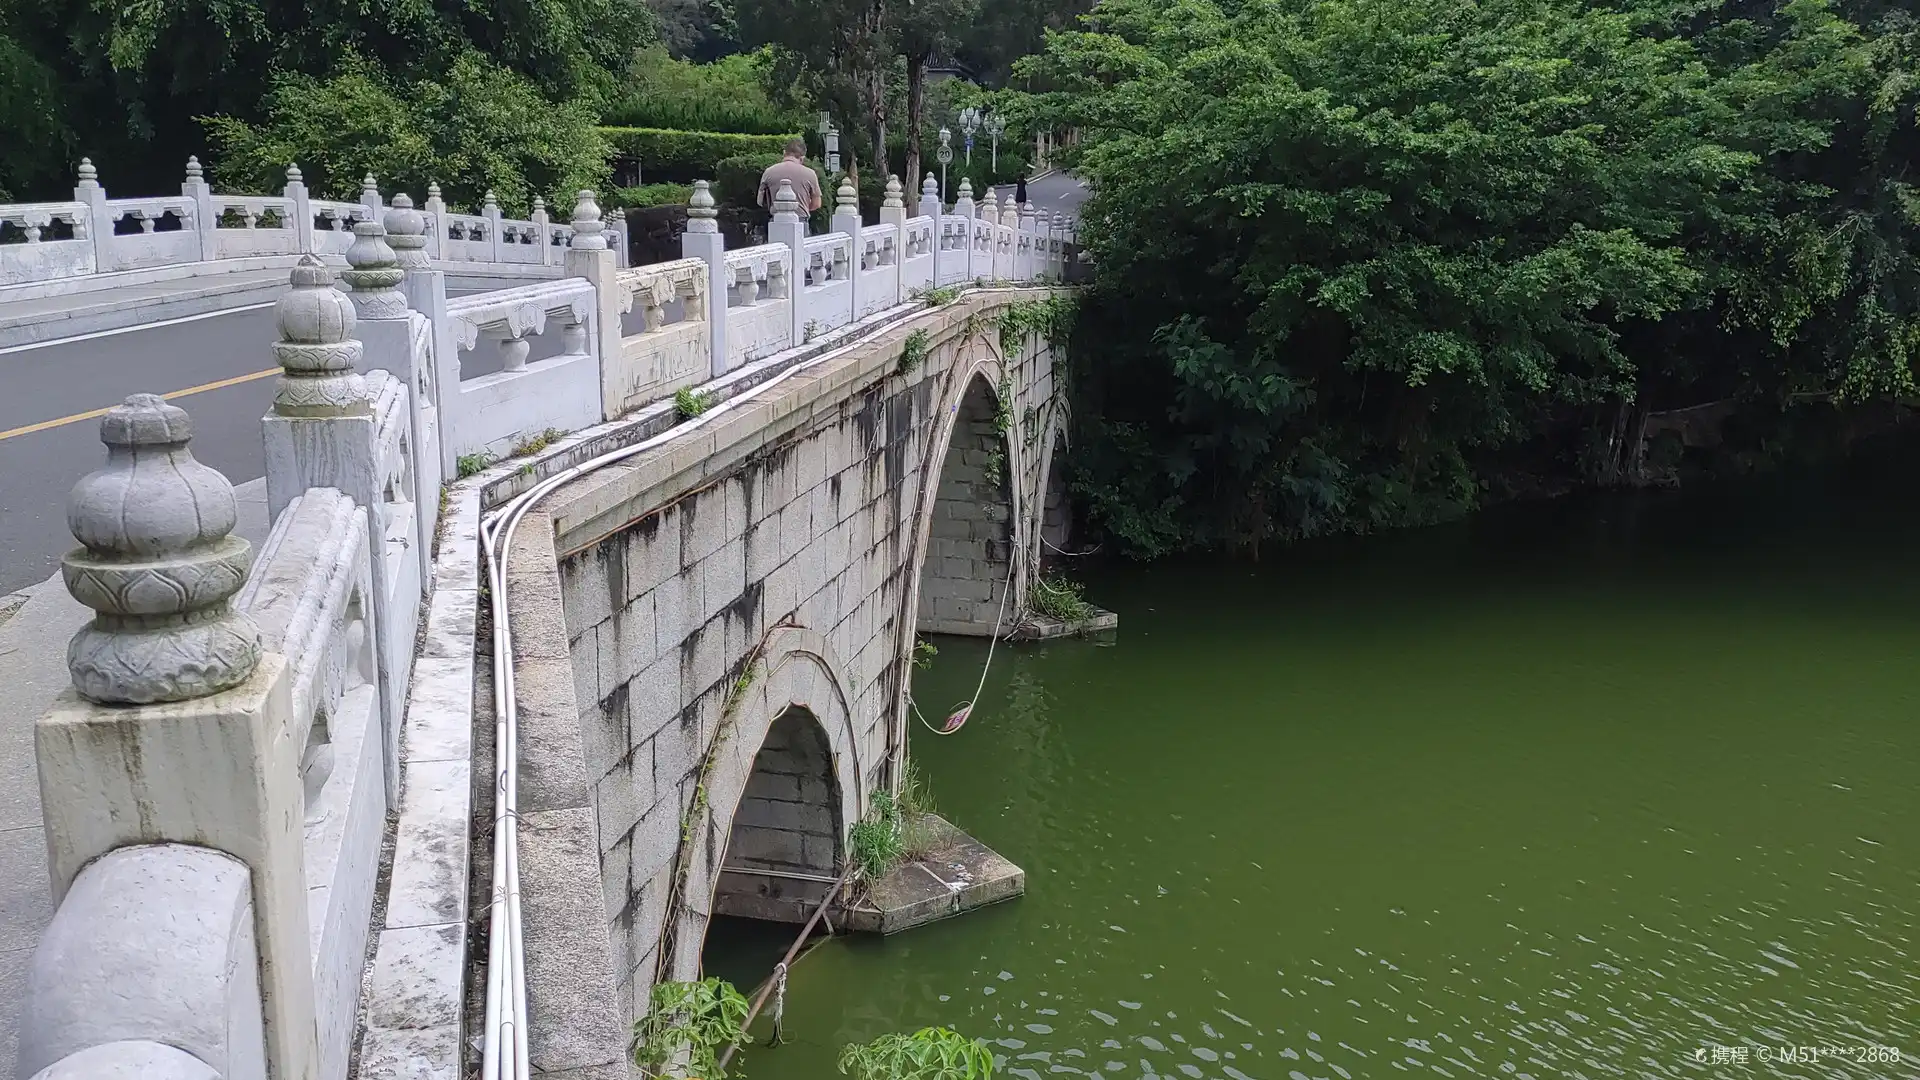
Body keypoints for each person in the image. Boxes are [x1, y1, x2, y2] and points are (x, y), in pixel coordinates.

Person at [758, 139, 823, 214]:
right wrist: (802, 207)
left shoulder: (768, 172)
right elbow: (817, 204)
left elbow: (760, 201)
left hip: (775, 219)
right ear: (802, 158)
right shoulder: (810, 174)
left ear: (784, 153)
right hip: (801, 218)